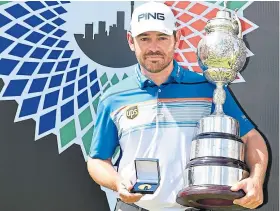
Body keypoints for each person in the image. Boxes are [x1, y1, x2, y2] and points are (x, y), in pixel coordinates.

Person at [87, 2, 268, 211]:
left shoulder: (207, 88)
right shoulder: (114, 97)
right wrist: (117, 183)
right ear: (131, 40)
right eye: (144, 39)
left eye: (162, 38)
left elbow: (252, 138)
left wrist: (256, 179)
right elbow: (98, 160)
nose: (153, 47)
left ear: (177, 39)